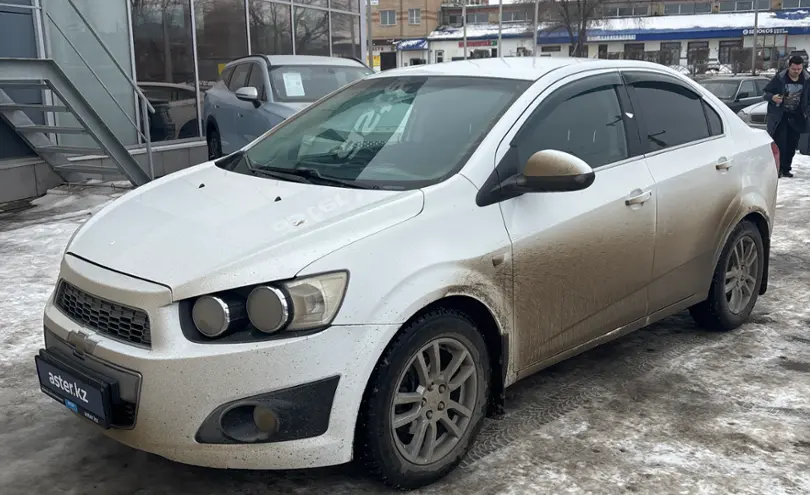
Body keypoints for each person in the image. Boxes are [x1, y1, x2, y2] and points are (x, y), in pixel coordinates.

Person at [762, 55, 810, 178]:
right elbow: (765, 93)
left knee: (792, 144)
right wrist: (773, 98)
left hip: (797, 116)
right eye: (794, 69)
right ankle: (777, 169)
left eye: (799, 69)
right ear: (789, 67)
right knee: (780, 143)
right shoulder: (780, 78)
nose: (797, 71)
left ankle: (786, 168)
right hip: (781, 115)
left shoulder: (807, 79)